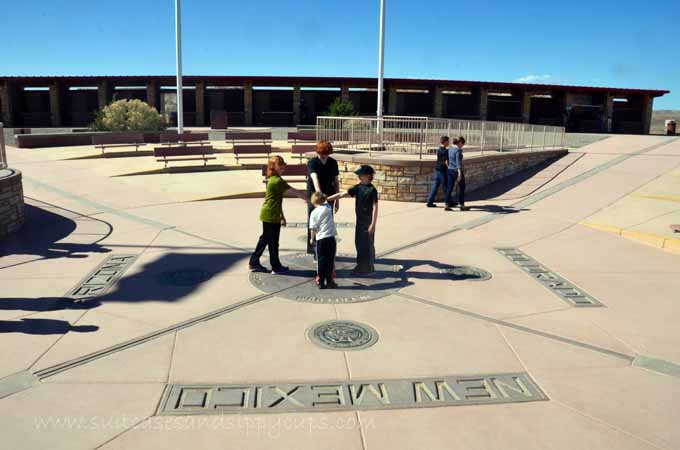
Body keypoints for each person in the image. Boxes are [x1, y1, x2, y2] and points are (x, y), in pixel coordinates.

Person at [249, 156, 308, 274]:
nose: (282, 167)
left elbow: (277, 200)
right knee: (271, 241)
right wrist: (309, 200)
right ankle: (270, 265)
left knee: (268, 240)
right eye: (279, 165)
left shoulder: (273, 179)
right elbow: (294, 191)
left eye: (282, 164)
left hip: (271, 214)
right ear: (273, 167)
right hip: (270, 215)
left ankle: (263, 263)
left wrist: (282, 215)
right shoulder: (277, 181)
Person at [328, 165, 379, 275]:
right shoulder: (358, 187)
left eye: (361, 175)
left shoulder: (372, 190)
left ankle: (369, 268)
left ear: (368, 176)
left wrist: (373, 224)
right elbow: (343, 194)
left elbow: (375, 207)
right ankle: (361, 265)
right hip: (359, 221)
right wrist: (327, 199)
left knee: (367, 245)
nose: (359, 176)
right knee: (359, 243)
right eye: (359, 175)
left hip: (368, 222)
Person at [306, 140, 340, 255]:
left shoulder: (333, 163)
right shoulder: (312, 163)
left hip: (329, 196)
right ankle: (313, 248)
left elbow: (336, 182)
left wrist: (337, 201)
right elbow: (314, 179)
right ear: (318, 152)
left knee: (326, 223)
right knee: (314, 222)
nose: (324, 157)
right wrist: (320, 196)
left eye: (326, 154)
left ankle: (325, 250)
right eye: (322, 154)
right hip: (315, 197)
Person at [309, 192, 338, 289]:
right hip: (330, 238)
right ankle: (329, 281)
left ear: (313, 201)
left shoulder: (314, 213)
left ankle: (321, 282)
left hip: (321, 239)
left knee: (321, 261)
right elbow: (326, 200)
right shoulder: (328, 208)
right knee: (330, 261)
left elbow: (313, 228)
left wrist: (311, 238)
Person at [444, 136, 469, 211]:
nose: (462, 146)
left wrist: (449, 167)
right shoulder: (458, 150)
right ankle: (462, 205)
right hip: (456, 171)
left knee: (449, 188)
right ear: (460, 142)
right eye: (462, 144)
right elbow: (458, 162)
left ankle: (446, 204)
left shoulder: (450, 148)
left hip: (450, 170)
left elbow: (447, 160)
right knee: (462, 188)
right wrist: (459, 173)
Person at [426, 135, 450, 208]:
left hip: (437, 170)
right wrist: (449, 168)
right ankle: (447, 203)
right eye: (448, 141)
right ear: (445, 142)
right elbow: (446, 161)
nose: (449, 142)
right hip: (443, 170)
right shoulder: (446, 151)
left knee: (435, 186)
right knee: (445, 187)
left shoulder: (439, 149)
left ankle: (430, 202)